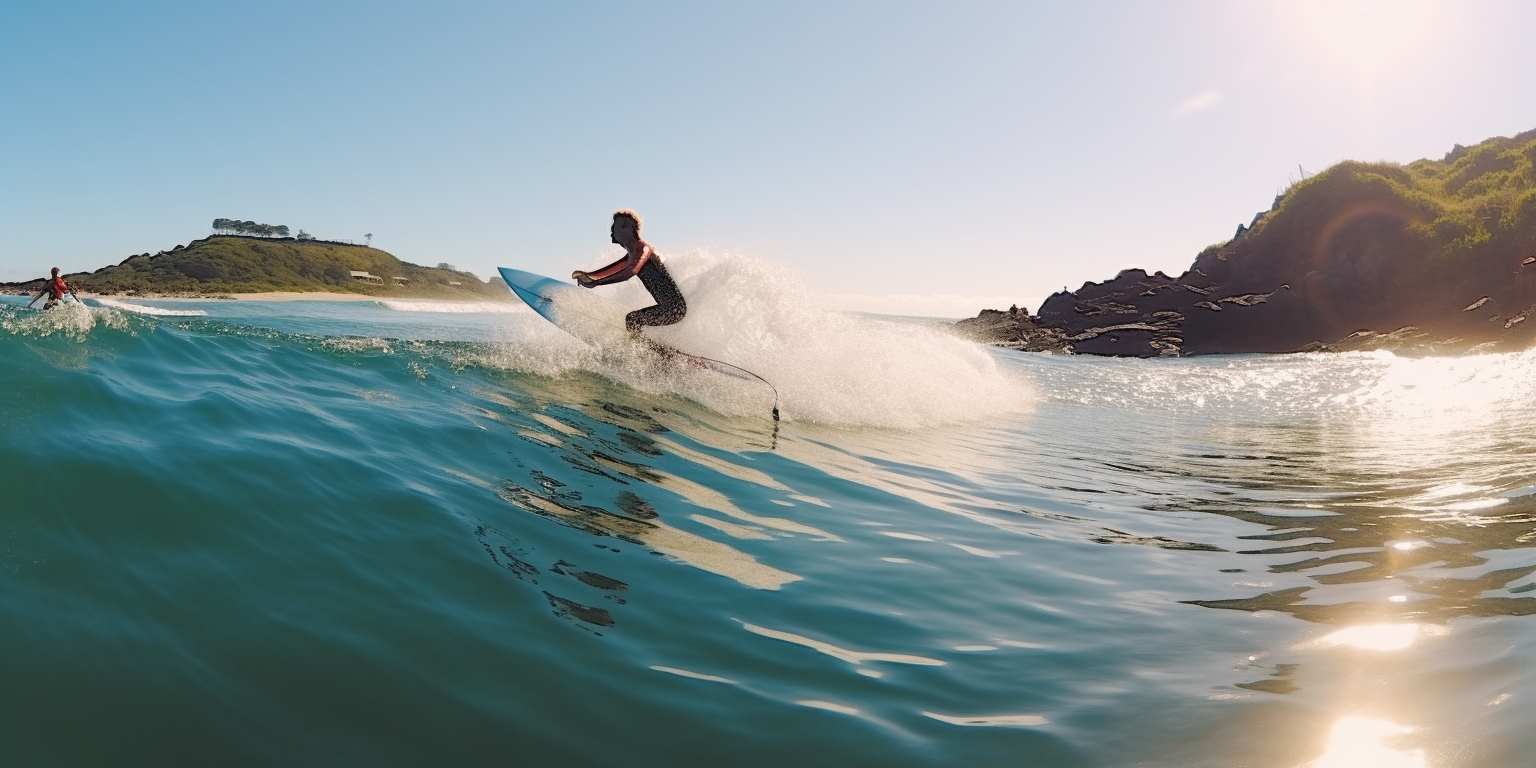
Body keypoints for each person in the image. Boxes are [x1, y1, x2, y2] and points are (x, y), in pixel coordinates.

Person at [572, 210, 687, 335]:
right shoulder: (631, 254)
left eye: (614, 225)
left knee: (633, 319)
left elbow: (630, 272)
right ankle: (656, 350)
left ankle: (651, 352)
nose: (611, 229)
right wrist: (588, 277)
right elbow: (608, 271)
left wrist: (597, 282)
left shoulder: (643, 248)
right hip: (668, 308)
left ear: (627, 228)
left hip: (674, 309)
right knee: (634, 320)